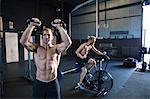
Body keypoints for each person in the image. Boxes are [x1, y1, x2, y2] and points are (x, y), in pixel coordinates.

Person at [20, 18, 72, 99]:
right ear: (42, 37)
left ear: (52, 37)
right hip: (39, 83)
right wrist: (31, 25)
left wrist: (59, 27)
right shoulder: (37, 48)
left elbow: (68, 43)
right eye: (44, 35)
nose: (46, 37)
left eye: (48, 35)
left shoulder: (56, 49)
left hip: (52, 83)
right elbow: (23, 41)